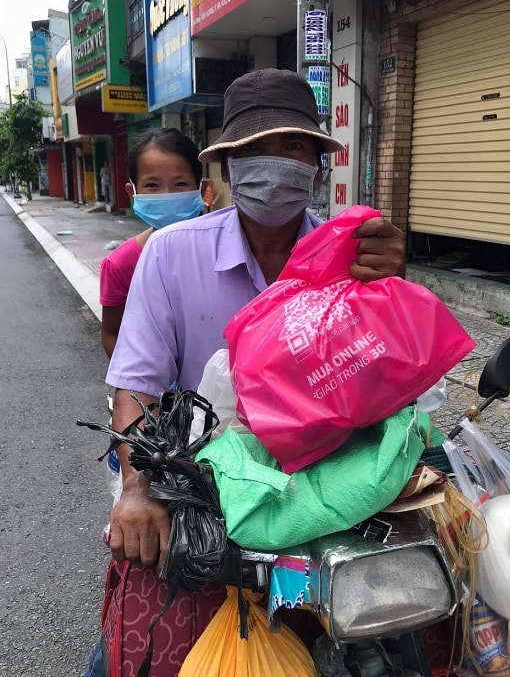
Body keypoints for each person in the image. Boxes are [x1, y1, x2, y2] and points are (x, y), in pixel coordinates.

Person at [97, 68, 405, 676]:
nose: (273, 163)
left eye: (291, 146)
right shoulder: (170, 253)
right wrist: (137, 489)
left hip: (321, 486)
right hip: (195, 485)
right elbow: (136, 383)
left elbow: (389, 377)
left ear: (318, 163)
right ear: (228, 167)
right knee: (135, 647)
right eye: (252, 150)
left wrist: (390, 286)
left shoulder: (354, 254)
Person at [99, 128, 203, 358]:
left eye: (180, 184)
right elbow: (111, 333)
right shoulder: (120, 264)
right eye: (153, 185)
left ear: (200, 188)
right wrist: (138, 384)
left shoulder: (224, 250)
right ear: (132, 191)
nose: (167, 195)